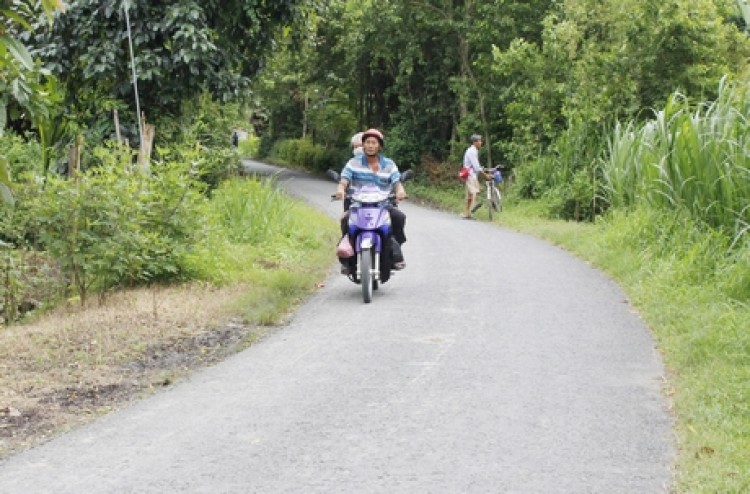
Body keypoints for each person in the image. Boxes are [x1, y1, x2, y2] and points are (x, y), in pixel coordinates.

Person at [335, 128, 407, 273]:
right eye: (367, 142)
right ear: (363, 145)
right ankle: (347, 261)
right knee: (346, 221)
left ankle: (395, 252)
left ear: (379, 146)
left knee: (399, 217)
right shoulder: (353, 163)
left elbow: (397, 182)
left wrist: (400, 191)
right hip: (358, 205)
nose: (370, 145)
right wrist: (341, 189)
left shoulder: (389, 164)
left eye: (374, 143)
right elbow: (344, 180)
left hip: (383, 205)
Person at [461, 134, 491, 219]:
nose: (481, 142)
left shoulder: (473, 151)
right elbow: (476, 167)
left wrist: (482, 170)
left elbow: (476, 166)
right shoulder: (472, 151)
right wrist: (485, 175)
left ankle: (466, 213)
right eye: (479, 141)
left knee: (469, 196)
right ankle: (473, 208)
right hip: (471, 175)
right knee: (475, 191)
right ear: (475, 142)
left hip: (470, 174)